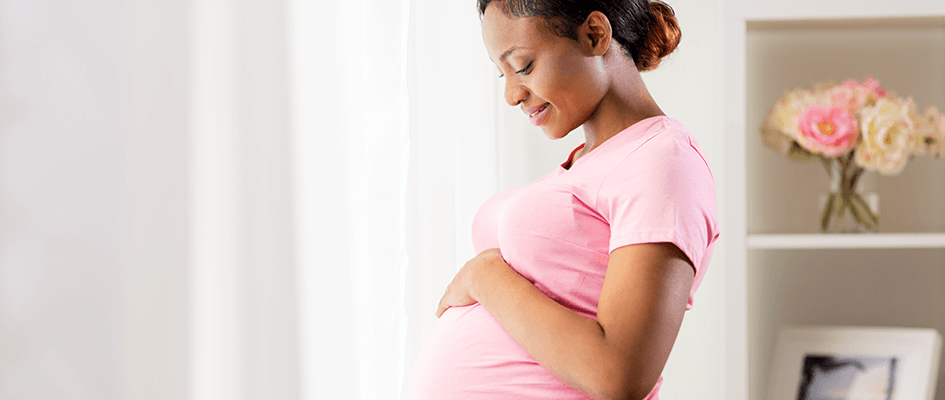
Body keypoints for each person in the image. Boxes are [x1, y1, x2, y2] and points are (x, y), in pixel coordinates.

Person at [410, 1, 719, 399]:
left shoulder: (663, 160)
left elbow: (619, 375)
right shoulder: (590, 163)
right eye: (500, 72)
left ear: (594, 34)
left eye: (523, 66)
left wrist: (485, 276)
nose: (510, 94)